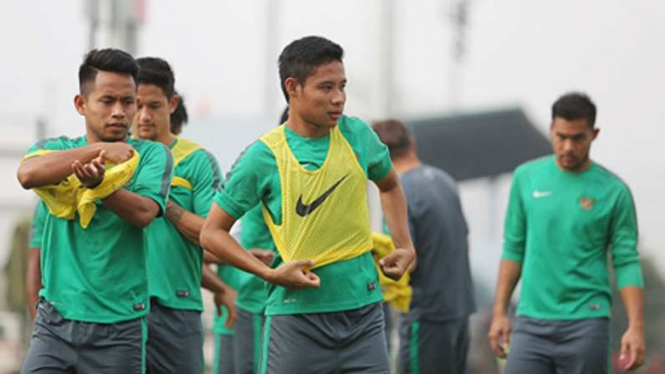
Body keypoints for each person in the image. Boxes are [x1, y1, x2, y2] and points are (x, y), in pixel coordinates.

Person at [200, 35, 415, 374]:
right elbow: (212, 233)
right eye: (326, 87)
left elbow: (389, 185)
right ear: (293, 87)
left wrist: (404, 245)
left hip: (365, 315)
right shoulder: (263, 156)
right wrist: (270, 273)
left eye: (342, 86)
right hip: (296, 321)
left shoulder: (358, 135)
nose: (339, 98)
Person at [17, 48, 173, 373]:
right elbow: (27, 174)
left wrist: (101, 188)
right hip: (55, 323)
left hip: (120, 327)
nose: (119, 112)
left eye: (127, 102)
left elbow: (145, 213)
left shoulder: (153, 155)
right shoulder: (58, 150)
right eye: (107, 101)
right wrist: (99, 151)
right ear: (81, 104)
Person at [488, 92, 646, 373]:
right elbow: (513, 247)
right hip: (530, 323)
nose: (568, 146)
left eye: (578, 138)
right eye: (561, 136)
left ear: (594, 134)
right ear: (551, 129)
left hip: (587, 323)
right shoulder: (526, 178)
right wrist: (499, 312)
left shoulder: (614, 191)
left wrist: (636, 326)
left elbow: (626, 261)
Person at [132, 56, 236, 374]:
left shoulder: (196, 161)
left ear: (172, 103)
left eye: (153, 106)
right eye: (135, 105)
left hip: (177, 311)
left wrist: (163, 203)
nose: (144, 116)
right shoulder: (109, 157)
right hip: (117, 310)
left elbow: (211, 234)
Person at [373, 119, 476, 374]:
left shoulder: (397, 191)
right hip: (460, 310)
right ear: (412, 143)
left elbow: (406, 260)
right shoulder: (444, 180)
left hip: (427, 315)